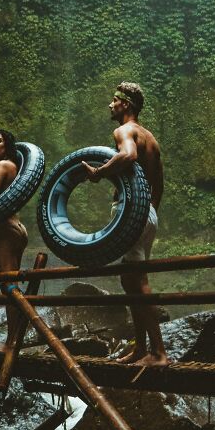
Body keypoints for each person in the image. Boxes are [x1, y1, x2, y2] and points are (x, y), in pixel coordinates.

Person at [82, 82, 168, 367]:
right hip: (147, 213)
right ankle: (142, 348)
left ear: (126, 105)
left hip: (133, 211)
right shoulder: (151, 138)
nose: (110, 105)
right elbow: (159, 184)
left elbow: (128, 155)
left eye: (114, 101)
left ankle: (158, 353)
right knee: (130, 278)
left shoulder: (124, 131)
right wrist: (147, 211)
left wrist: (99, 172)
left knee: (136, 280)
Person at [0, 128, 28, 353]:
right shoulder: (14, 167)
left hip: (5, 230)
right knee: (13, 284)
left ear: (7, 145)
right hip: (17, 227)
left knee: (8, 285)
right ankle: (16, 338)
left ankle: (11, 343)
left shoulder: (2, 166)